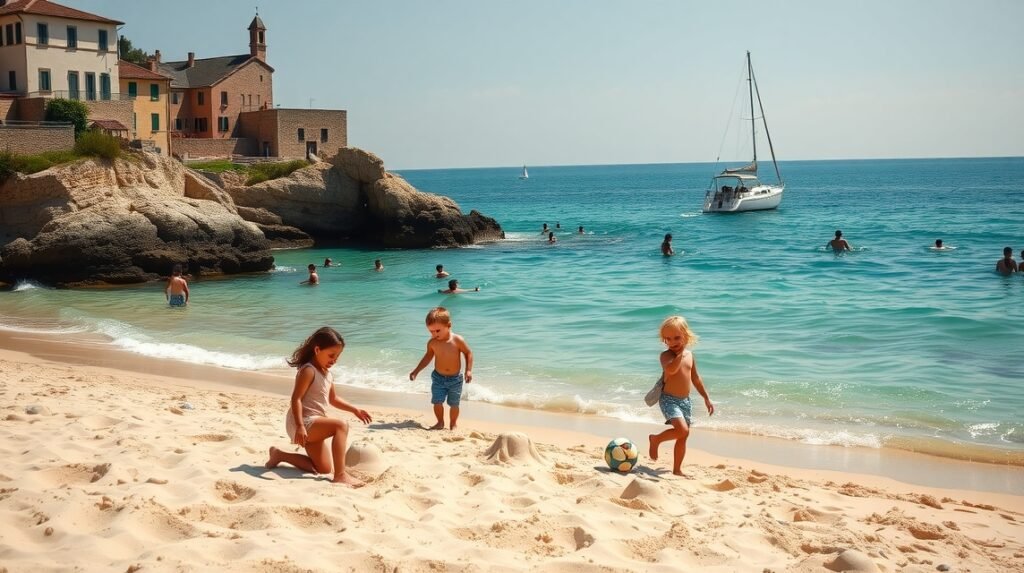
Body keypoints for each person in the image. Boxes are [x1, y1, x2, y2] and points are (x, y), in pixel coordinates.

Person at [265, 327, 373, 486]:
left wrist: (355, 410)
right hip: (302, 422)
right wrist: (300, 426)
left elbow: (333, 399)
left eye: (337, 356)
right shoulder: (309, 371)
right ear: (317, 350)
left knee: (323, 468)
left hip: (314, 423)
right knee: (341, 426)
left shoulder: (327, 374)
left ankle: (279, 455)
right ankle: (340, 475)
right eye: (331, 355)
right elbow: (296, 399)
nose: (334, 360)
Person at [648, 316, 713, 476]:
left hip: (685, 401)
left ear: (686, 336)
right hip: (668, 399)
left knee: (683, 436)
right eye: (668, 339)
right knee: (682, 430)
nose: (672, 342)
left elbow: (695, 378)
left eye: (677, 338)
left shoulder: (689, 355)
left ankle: (677, 470)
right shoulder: (666, 356)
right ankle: (656, 439)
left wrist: (706, 397)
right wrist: (681, 353)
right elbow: (671, 370)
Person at [409, 307, 474, 430]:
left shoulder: (457, 340)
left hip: (455, 379)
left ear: (448, 325)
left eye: (437, 330)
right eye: (431, 331)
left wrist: (468, 370)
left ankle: (453, 424)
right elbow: (428, 357)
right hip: (438, 378)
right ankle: (440, 422)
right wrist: (416, 371)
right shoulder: (432, 343)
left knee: (454, 404)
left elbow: (468, 353)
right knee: (437, 401)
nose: (434, 334)